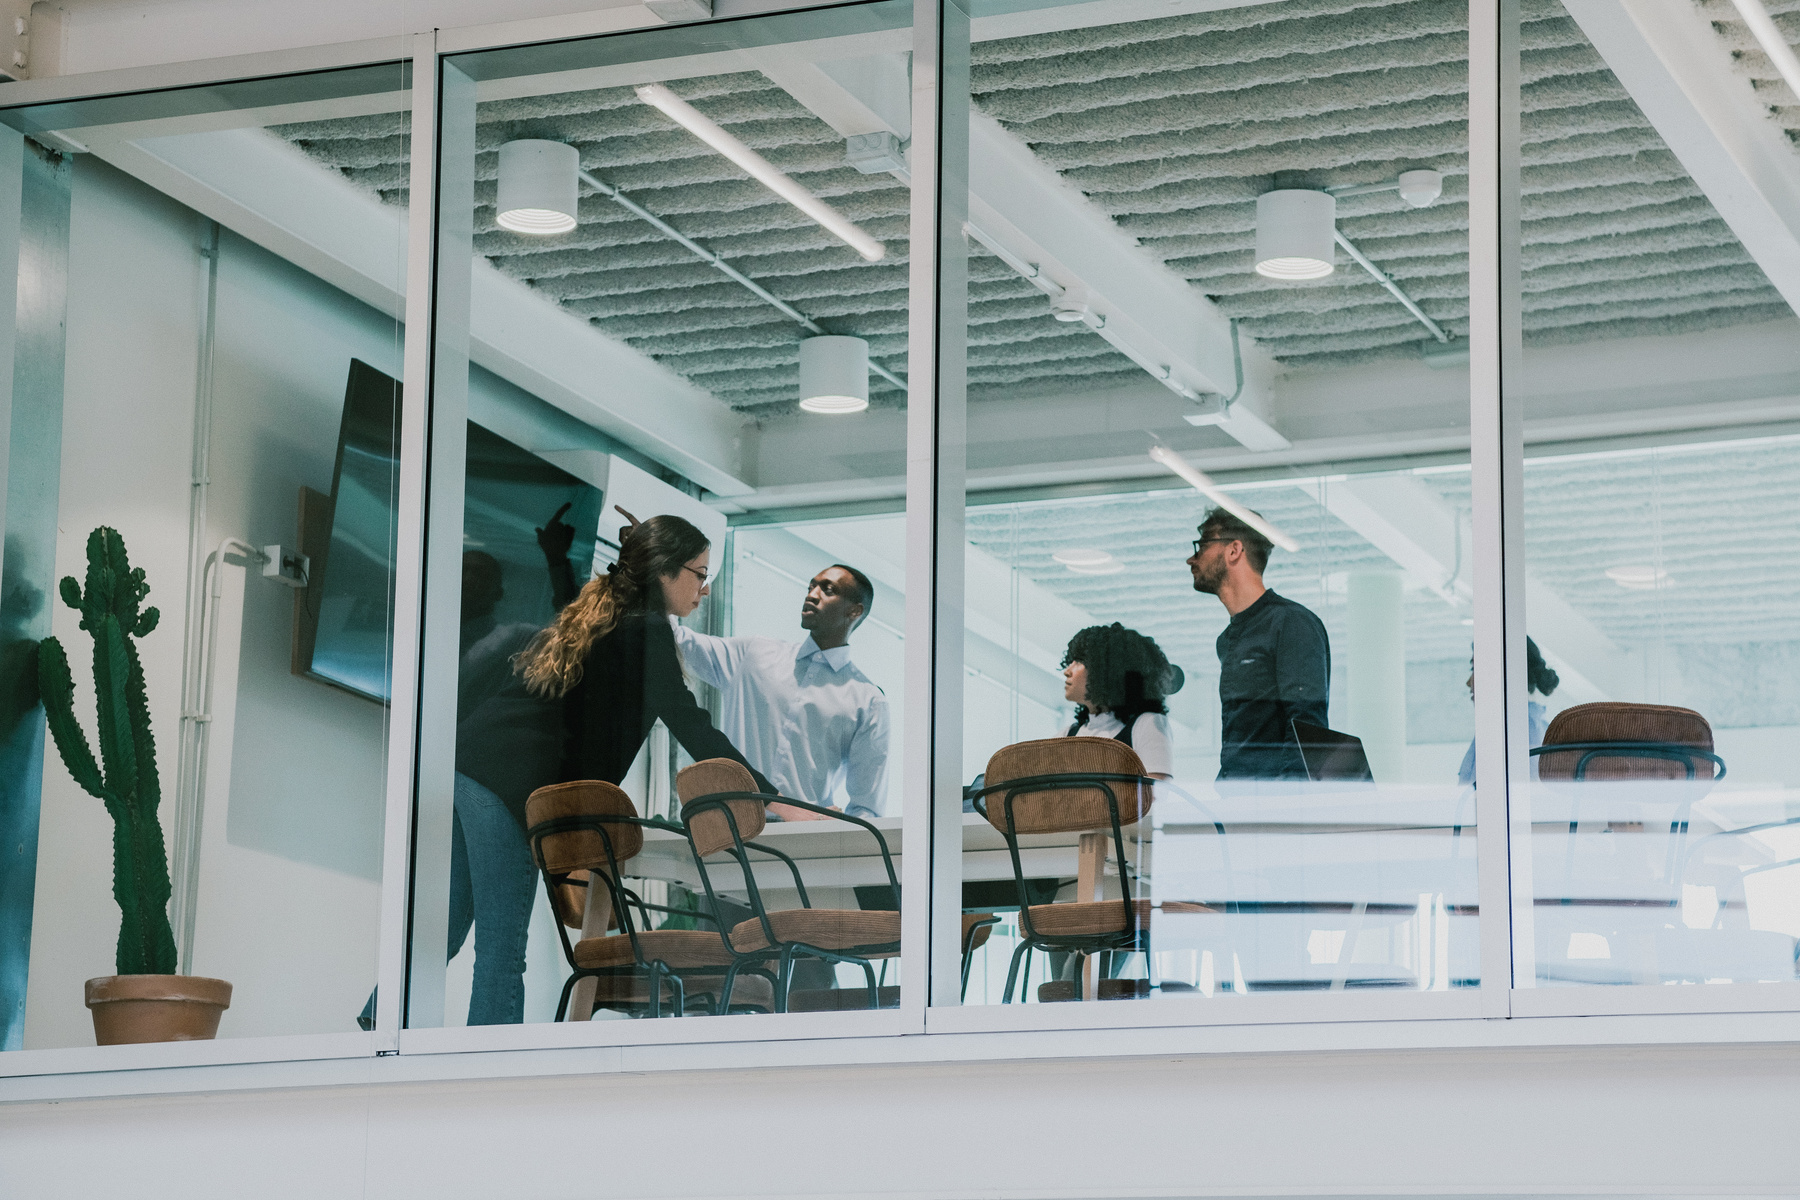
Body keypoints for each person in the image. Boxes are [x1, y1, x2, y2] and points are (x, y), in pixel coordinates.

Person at [516, 511, 774, 796]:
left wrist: (560, 559)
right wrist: (771, 799)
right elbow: (688, 721)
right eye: (700, 575)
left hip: (512, 777)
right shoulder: (645, 627)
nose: (706, 588)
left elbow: (567, 600)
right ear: (664, 569)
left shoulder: (612, 616)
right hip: (538, 797)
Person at [672, 564, 889, 820]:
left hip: (802, 842)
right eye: (811, 586)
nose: (812, 594)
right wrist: (657, 572)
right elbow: (676, 640)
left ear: (855, 610)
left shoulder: (868, 700)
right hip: (729, 829)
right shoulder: (754, 655)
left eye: (828, 589)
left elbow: (867, 808)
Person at [1186, 505, 1330, 780]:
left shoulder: (1290, 622)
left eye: (1201, 546)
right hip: (1241, 802)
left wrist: (1282, 805)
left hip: (1273, 808)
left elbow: (1306, 725)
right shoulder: (1227, 640)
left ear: (1233, 550)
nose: (1191, 559)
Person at [1060, 623, 1178, 781]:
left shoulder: (1147, 724)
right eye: (1071, 661)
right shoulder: (1067, 734)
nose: (1067, 670)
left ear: (1107, 670)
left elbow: (1155, 795)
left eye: (1080, 661)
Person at [1457, 636, 1559, 785]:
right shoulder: (1507, 724)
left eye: (1474, 669)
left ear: (1500, 672)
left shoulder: (1519, 727)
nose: (1468, 683)